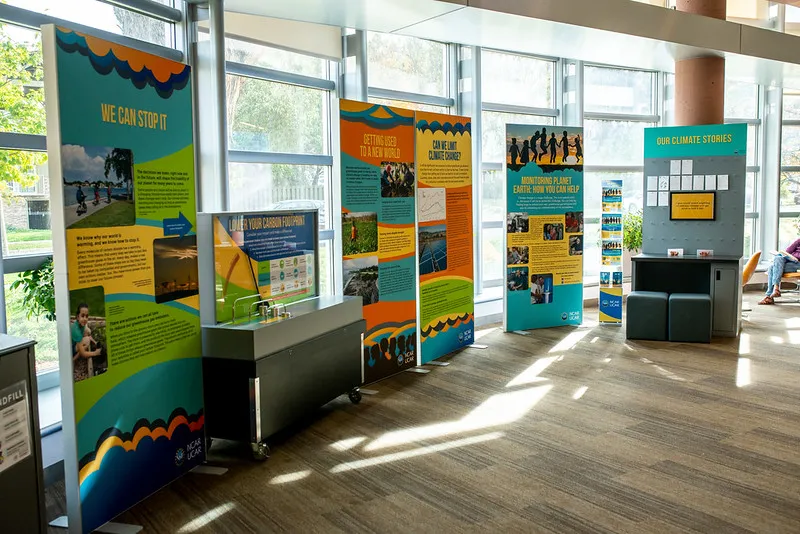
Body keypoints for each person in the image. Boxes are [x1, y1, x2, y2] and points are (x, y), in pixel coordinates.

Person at [760, 238, 800, 305]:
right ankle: (775, 289)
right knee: (778, 258)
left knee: (772, 268)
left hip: (798, 263)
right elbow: (788, 251)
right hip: (790, 260)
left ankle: (769, 296)